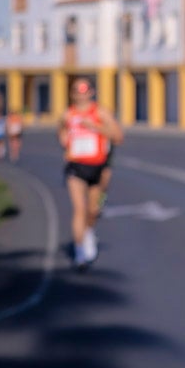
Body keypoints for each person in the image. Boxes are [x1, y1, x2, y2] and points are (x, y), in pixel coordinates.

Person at [58, 78, 123, 268]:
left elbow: (118, 137)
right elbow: (61, 131)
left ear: (92, 92)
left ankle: (88, 232)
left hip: (99, 166)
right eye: (77, 90)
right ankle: (79, 254)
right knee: (79, 209)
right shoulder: (67, 115)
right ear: (72, 94)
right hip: (76, 167)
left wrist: (95, 127)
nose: (81, 94)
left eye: (85, 90)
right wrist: (66, 144)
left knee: (92, 210)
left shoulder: (101, 112)